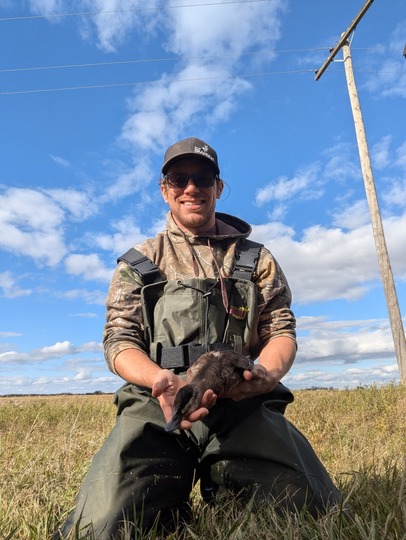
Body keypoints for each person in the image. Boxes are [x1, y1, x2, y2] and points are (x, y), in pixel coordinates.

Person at [57, 137, 341, 539]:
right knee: (101, 526)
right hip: (161, 398)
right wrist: (159, 380)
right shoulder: (140, 261)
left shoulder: (255, 257)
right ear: (165, 189)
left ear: (218, 187)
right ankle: (167, 495)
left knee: (314, 512)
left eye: (202, 178)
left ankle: (224, 482)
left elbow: (280, 328)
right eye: (179, 179)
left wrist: (267, 375)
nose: (191, 188)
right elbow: (119, 340)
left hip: (240, 398)